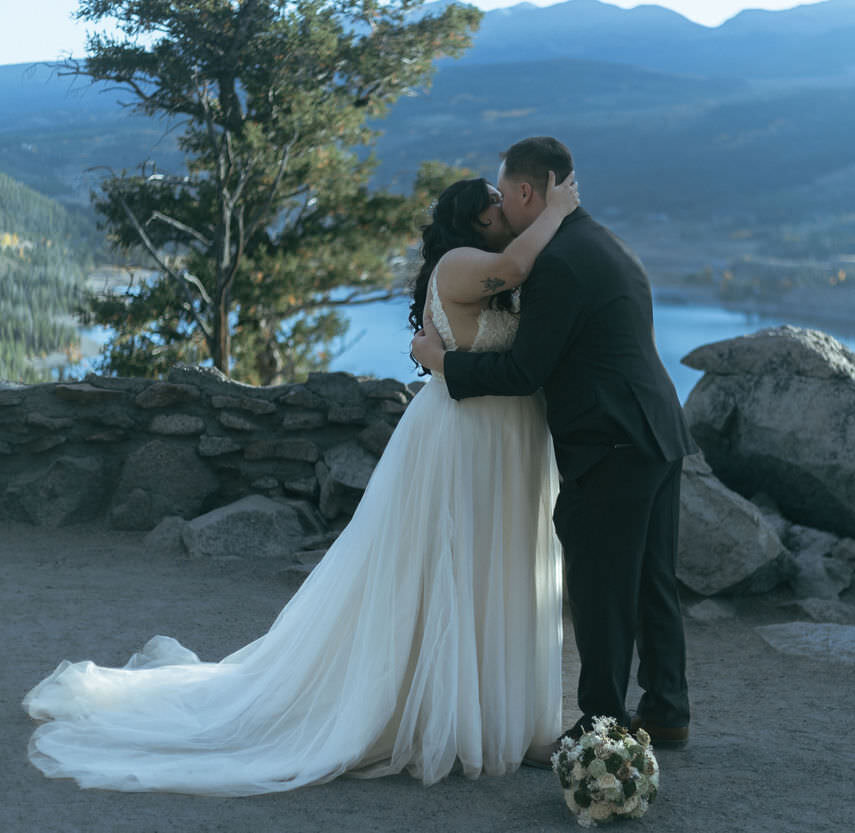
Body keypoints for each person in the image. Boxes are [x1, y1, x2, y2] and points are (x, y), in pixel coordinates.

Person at [21, 172, 579, 796]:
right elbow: (516, 264)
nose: (507, 208)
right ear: (477, 219)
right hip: (466, 436)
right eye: (497, 202)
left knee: (495, 570)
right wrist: (558, 209)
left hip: (511, 435)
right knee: (449, 566)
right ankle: (435, 713)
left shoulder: (490, 267)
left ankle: (498, 715)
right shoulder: (462, 263)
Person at [412, 136, 697, 760]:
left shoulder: (560, 261)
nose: (503, 214)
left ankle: (601, 726)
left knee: (601, 585)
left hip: (612, 441)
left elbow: (523, 372)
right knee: (652, 581)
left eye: (503, 195)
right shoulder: (601, 241)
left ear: (523, 191)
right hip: (656, 430)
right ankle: (667, 710)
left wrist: (445, 366)